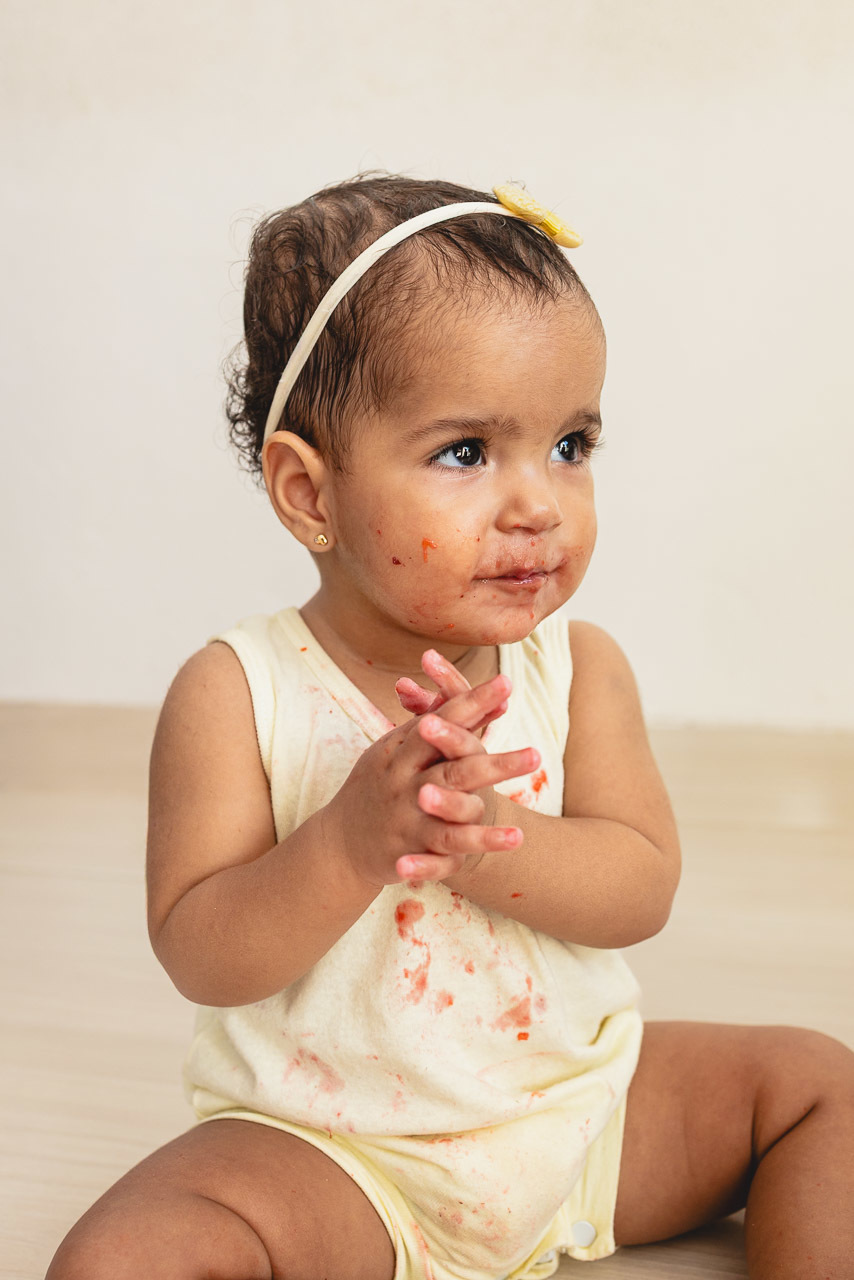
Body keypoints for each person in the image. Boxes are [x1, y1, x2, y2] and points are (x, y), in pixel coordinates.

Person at [47, 174, 854, 1280]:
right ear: (308, 493)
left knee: (819, 1080)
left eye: (570, 444)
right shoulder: (237, 690)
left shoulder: (578, 669)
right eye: (466, 452)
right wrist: (344, 845)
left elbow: (639, 886)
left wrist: (487, 834)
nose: (538, 504)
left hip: (578, 1115)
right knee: (119, 1253)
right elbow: (202, 948)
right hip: (337, 1152)